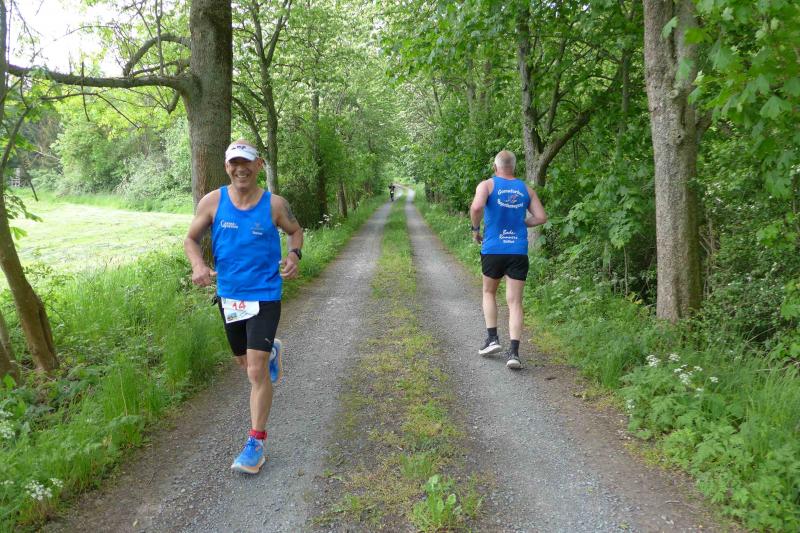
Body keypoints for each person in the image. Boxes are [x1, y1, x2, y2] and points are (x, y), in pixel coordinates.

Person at [184, 139, 303, 474]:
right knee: (243, 362)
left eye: (246, 162)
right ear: (226, 167)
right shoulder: (212, 202)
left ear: (259, 165)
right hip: (230, 297)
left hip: (265, 294)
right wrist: (198, 265)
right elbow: (190, 239)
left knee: (255, 372)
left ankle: (256, 444)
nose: (240, 169)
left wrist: (294, 255)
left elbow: (295, 231)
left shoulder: (275, 205)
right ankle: (271, 351)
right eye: (234, 163)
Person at [469, 150, 546, 369]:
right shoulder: (526, 189)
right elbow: (541, 217)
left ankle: (493, 339)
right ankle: (514, 353)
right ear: (514, 167)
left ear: (495, 167)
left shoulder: (487, 185)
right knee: (515, 302)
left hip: (493, 248)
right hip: (517, 251)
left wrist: (475, 229)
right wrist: (522, 223)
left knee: (488, 292)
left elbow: (476, 207)